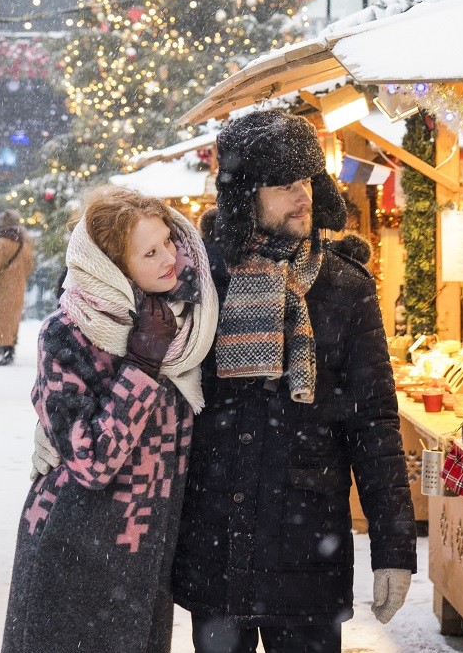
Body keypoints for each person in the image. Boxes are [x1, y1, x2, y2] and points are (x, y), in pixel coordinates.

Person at [172, 108, 417, 653]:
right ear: (245, 195)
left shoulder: (344, 288)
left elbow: (375, 426)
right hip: (219, 543)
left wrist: (393, 549)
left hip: (308, 548)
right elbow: (159, 395)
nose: (301, 195)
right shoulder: (203, 281)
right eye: (283, 184)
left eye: (306, 179)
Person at [2, 185, 218, 653]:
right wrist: (141, 367)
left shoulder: (188, 324)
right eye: (150, 252)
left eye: (168, 242)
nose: (170, 260)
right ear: (114, 268)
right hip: (74, 548)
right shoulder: (70, 331)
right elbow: (93, 461)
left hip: (143, 555)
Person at [0, 209, 36, 365]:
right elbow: (30, 265)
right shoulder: (23, 243)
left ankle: (6, 349)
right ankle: (6, 345)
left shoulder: (1, 242)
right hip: (18, 287)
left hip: (4, 287)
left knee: (2, 318)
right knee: (13, 319)